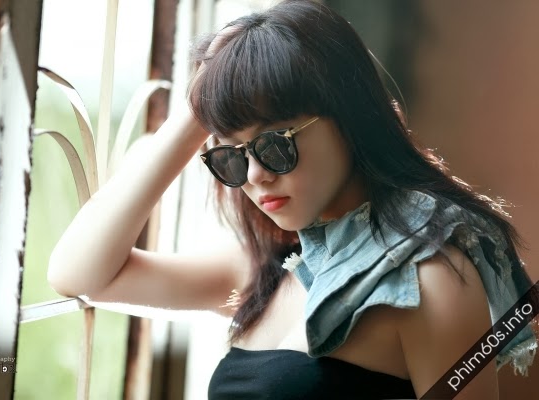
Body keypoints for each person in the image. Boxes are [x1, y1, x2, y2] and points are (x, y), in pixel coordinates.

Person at [48, 1, 537, 398]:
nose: (255, 176)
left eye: (275, 144)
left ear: (348, 118)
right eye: (232, 157)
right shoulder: (264, 270)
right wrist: (199, 109)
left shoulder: (427, 278)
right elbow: (79, 275)